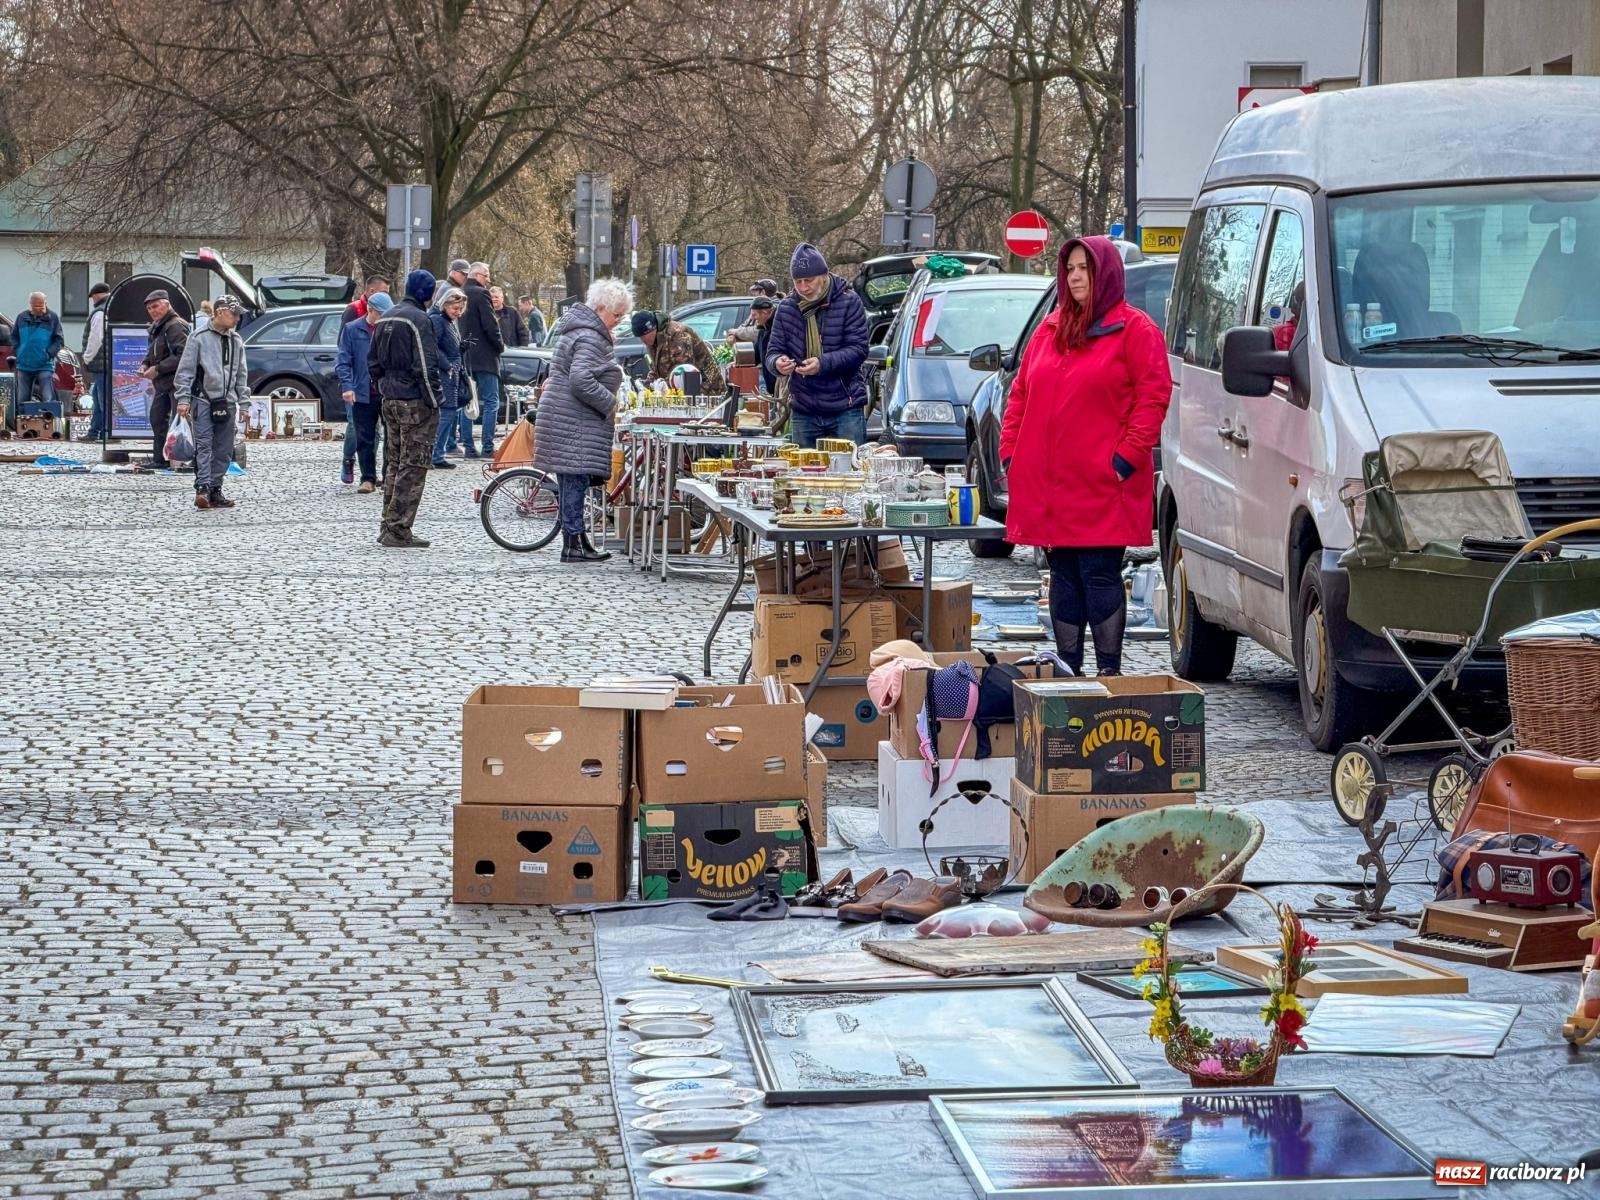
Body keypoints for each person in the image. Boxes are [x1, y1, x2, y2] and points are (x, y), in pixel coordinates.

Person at [999, 235, 1172, 677]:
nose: (1075, 277)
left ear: (1104, 274)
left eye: (1084, 269)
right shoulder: (1051, 328)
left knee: (1099, 576)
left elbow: (1153, 397)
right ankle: (1067, 672)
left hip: (1101, 481)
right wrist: (1010, 453)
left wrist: (1125, 457)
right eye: (1070, 269)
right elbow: (1020, 393)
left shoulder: (1135, 330)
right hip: (1051, 483)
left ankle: (1108, 673)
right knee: (1064, 579)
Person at [534, 278, 628, 564]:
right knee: (574, 480)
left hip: (563, 414)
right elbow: (581, 379)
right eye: (617, 314)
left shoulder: (577, 330)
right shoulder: (590, 336)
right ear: (601, 309)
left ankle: (576, 540)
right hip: (572, 418)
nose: (619, 320)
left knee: (570, 481)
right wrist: (609, 402)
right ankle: (574, 544)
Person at [765, 243, 869, 447]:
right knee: (802, 474)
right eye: (798, 281)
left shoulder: (849, 301)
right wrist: (778, 362)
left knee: (850, 472)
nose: (803, 287)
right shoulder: (786, 308)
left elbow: (858, 349)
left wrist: (823, 364)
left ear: (824, 274)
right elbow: (772, 351)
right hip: (804, 408)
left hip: (845, 405)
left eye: (809, 280)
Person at [368, 269, 443, 548]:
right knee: (413, 466)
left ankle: (388, 524)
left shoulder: (386, 316)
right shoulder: (419, 319)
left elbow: (372, 362)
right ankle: (398, 529)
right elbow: (425, 365)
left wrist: (383, 388)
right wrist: (435, 400)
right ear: (426, 292)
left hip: (390, 399)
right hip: (414, 401)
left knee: (394, 463)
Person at [173, 294, 250, 510]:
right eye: (234, 314)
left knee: (224, 449)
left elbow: (241, 374)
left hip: (228, 401)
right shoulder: (198, 337)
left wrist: (244, 403)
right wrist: (183, 398)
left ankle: (216, 488)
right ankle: (203, 487)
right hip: (203, 400)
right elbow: (185, 371)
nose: (237, 319)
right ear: (220, 312)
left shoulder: (236, 340)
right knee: (204, 445)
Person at [336, 290, 393, 493]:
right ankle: (367, 478)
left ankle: (388, 477)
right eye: (381, 314)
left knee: (391, 436)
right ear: (370, 310)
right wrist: (347, 386)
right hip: (362, 391)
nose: (385, 318)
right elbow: (343, 360)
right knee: (364, 437)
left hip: (387, 391)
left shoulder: (390, 329)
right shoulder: (353, 329)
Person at [139, 290, 190, 469]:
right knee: (158, 419)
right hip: (163, 382)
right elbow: (152, 351)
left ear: (167, 305)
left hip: (177, 382)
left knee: (179, 422)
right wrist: (145, 365)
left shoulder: (175, 325)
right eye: (149, 308)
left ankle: (181, 460)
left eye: (155, 306)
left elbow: (183, 355)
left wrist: (158, 369)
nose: (152, 310)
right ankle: (161, 459)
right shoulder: (158, 326)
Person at [460, 261, 504, 458]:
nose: (488, 280)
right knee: (491, 401)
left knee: (468, 403)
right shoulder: (481, 294)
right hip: (485, 356)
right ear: (477, 275)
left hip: (465, 355)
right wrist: (499, 346)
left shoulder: (460, 292)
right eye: (486, 276)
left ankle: (468, 446)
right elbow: (490, 325)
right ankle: (487, 446)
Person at [630, 310, 725, 395]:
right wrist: (646, 385)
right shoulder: (653, 341)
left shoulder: (677, 335)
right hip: (685, 391)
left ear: (652, 329)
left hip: (707, 391)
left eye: (643, 336)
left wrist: (659, 387)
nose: (642, 341)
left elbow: (683, 374)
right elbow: (658, 371)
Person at [429, 287, 468, 470]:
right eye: (455, 308)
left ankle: (437, 454)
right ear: (445, 304)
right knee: (446, 413)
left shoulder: (447, 321)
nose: (458, 313)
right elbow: (432, 347)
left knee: (450, 412)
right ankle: (433, 453)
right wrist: (446, 364)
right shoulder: (438, 320)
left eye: (460, 309)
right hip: (444, 372)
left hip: (451, 370)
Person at [14, 292, 64, 414]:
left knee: (48, 398)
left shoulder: (53, 318)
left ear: (46, 303)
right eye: (36, 306)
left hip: (45, 365)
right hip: (24, 365)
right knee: (22, 400)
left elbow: (59, 340)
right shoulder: (21, 317)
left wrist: (48, 354)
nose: (39, 308)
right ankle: (22, 426)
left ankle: (49, 426)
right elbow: (14, 336)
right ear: (30, 305)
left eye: (41, 305)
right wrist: (18, 350)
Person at [729, 295, 778, 393]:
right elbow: (755, 355)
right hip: (770, 382)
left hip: (779, 380)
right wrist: (738, 362)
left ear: (764, 313)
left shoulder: (777, 328)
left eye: (754, 315)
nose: (753, 319)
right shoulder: (763, 329)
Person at [82, 283, 111, 439]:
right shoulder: (112, 307)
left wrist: (87, 358)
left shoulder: (100, 312)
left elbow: (95, 339)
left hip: (101, 363)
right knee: (98, 398)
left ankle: (107, 433)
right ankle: (94, 431)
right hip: (108, 362)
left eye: (92, 297)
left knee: (103, 399)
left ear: (97, 295)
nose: (92, 300)